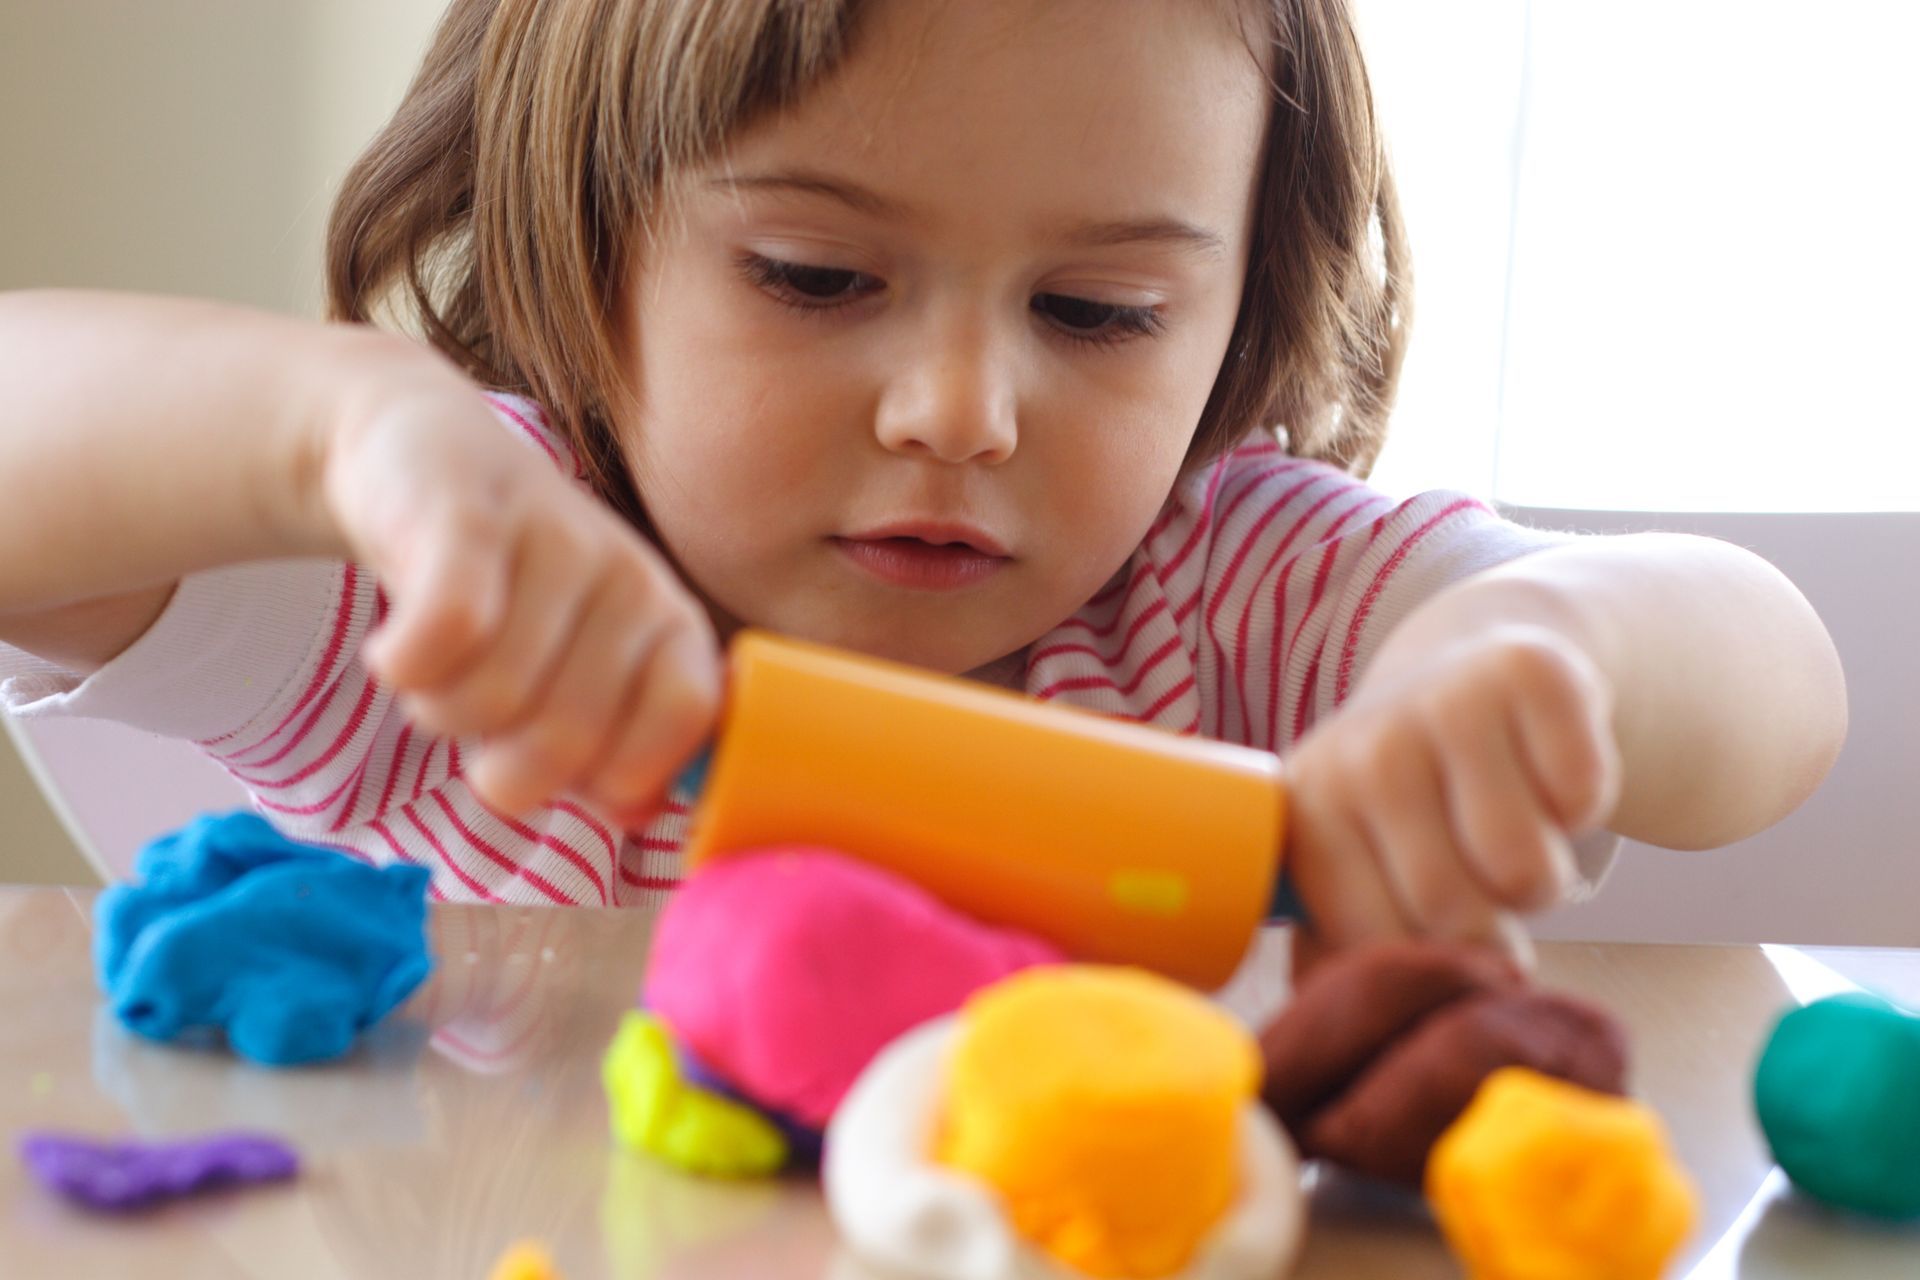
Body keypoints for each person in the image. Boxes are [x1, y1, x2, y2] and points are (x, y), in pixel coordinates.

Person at [0, 0, 1845, 959]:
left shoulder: (1236, 602)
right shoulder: (470, 597)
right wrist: (343, 435)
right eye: (818, 279)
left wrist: (1544, 656)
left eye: (1099, 309)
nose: (962, 410)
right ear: (586, 242)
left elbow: (1779, 681)